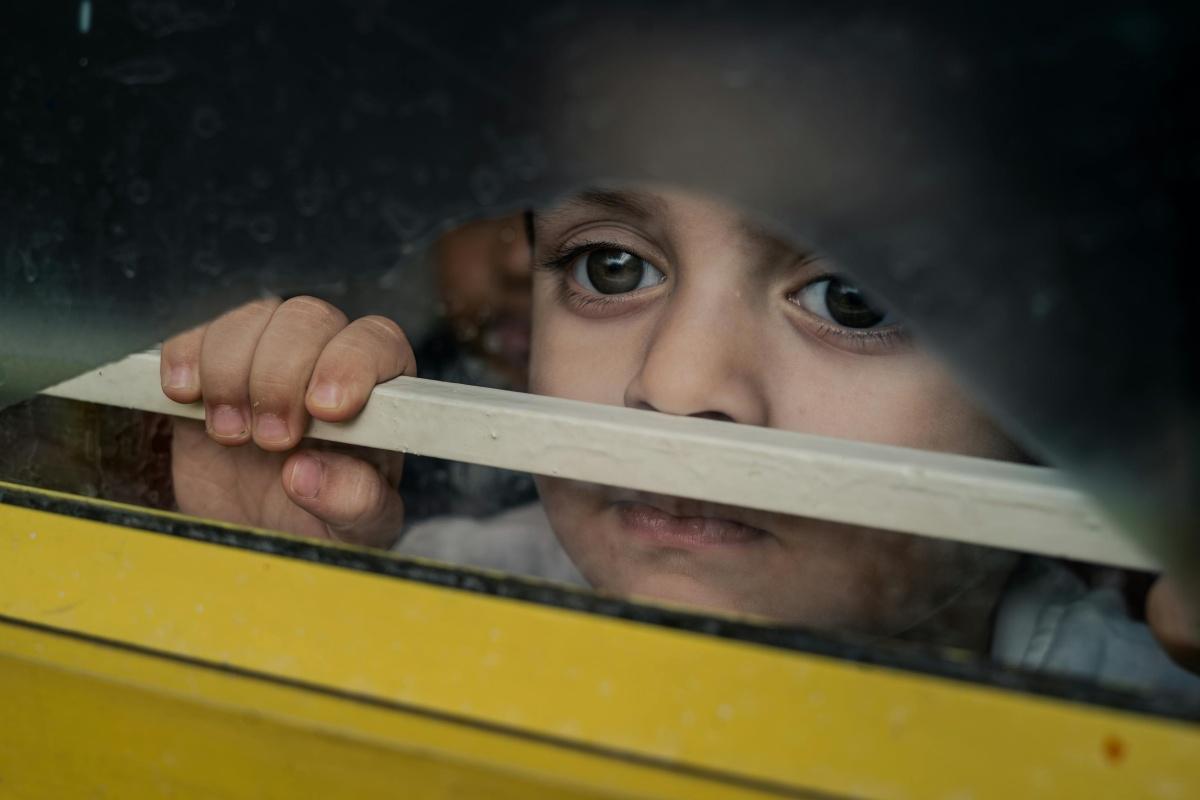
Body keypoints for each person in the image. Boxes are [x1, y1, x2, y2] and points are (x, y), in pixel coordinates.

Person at [159, 185, 1199, 691]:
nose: (674, 385)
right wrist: (255, 589)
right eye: (611, 267)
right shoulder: (417, 604)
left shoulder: (1142, 710)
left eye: (854, 294)